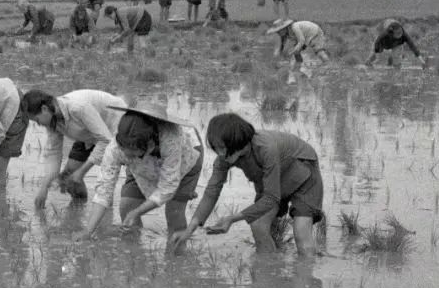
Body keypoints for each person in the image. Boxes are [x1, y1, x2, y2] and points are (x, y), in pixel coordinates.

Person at [174, 112, 323, 257]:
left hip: (304, 174)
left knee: (301, 236)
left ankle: (306, 275)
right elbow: (211, 192)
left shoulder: (266, 149)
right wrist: (190, 229)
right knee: (258, 224)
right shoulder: (224, 159)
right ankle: (267, 272)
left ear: (237, 142)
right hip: (273, 180)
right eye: (216, 148)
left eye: (222, 147)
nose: (219, 154)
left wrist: (231, 219)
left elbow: (271, 198)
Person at [78, 100, 203, 250]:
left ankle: (175, 260)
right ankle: (134, 255)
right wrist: (88, 231)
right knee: (126, 207)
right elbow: (104, 190)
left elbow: (167, 187)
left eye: (132, 155)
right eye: (126, 154)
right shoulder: (116, 149)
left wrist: (137, 212)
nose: (128, 158)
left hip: (185, 162)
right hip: (142, 169)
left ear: (149, 146)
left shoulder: (171, 139)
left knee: (174, 212)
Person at [23, 89, 127, 207]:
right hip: (86, 131)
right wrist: (44, 188)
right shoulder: (52, 120)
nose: (38, 124)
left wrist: (81, 172)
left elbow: (105, 140)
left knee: (106, 181)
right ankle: (78, 208)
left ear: (44, 109)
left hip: (115, 123)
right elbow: (53, 154)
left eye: (37, 120)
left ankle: (105, 213)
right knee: (68, 176)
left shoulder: (78, 108)